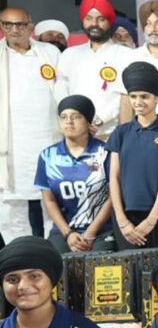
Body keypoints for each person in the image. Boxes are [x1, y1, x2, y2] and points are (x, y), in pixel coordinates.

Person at [104, 62, 158, 251]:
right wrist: (121, 220)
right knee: (131, 272)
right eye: (133, 96)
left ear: (157, 98)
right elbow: (113, 178)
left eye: (144, 97)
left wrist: (152, 219)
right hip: (126, 216)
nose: (138, 102)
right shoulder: (120, 133)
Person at [3, 7, 67, 241]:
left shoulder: (49, 53)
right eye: (7, 24)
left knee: (54, 199)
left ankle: (56, 256)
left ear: (31, 26)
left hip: (47, 137)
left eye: (20, 24)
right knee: (11, 208)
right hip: (9, 145)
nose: (14, 30)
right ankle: (16, 256)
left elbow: (64, 92)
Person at [35, 97, 108, 253]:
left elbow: (113, 197)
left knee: (104, 269)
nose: (69, 121)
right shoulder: (48, 155)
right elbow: (49, 200)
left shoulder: (105, 152)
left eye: (76, 116)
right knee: (56, 268)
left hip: (102, 230)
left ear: (89, 122)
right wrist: (68, 233)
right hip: (64, 230)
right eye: (64, 117)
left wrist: (91, 233)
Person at [57, 0, 135, 134]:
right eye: (88, 18)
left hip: (111, 133)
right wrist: (73, 118)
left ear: (110, 22)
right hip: (74, 131)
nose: (94, 24)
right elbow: (61, 91)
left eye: (101, 19)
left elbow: (125, 97)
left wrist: (98, 120)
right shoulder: (69, 54)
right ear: (82, 21)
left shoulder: (126, 55)